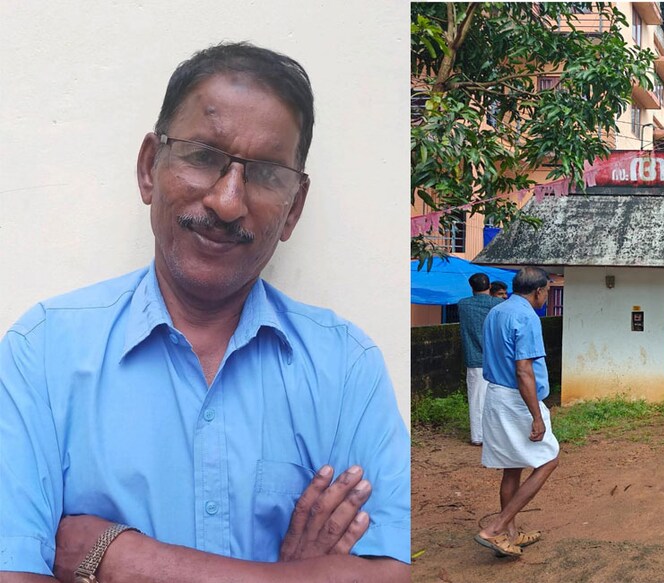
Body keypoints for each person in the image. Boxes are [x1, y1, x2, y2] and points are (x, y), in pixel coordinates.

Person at [0, 43, 409, 582]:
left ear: (294, 208)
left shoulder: (345, 367)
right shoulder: (43, 352)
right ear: (150, 167)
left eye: (264, 173)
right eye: (203, 156)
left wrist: (124, 559)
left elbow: (390, 574)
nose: (227, 201)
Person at [474, 267, 560, 558]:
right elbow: (523, 370)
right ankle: (496, 528)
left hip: (496, 396)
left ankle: (509, 535)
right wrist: (536, 415)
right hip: (517, 400)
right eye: (547, 291)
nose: (547, 296)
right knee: (549, 460)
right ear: (538, 291)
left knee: (512, 467)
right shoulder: (526, 316)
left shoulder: (497, 312)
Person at [458, 272, 504, 446]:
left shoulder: (463, 305)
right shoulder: (498, 305)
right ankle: (497, 434)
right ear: (489, 286)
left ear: (472, 287)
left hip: (474, 359)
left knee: (477, 399)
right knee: (498, 398)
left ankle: (478, 436)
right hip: (497, 359)